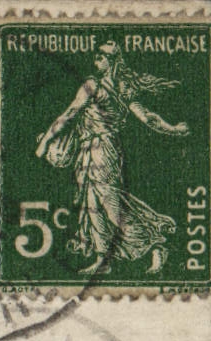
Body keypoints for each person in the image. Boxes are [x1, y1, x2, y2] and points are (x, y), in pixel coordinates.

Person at [35, 42, 188, 274]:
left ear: (113, 61)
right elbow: (148, 118)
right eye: (96, 54)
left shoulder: (96, 86)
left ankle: (154, 244)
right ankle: (103, 259)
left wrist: (45, 142)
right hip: (89, 149)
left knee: (109, 202)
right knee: (91, 204)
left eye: (102, 55)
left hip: (102, 149)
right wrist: (174, 129)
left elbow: (70, 114)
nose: (96, 58)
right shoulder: (120, 89)